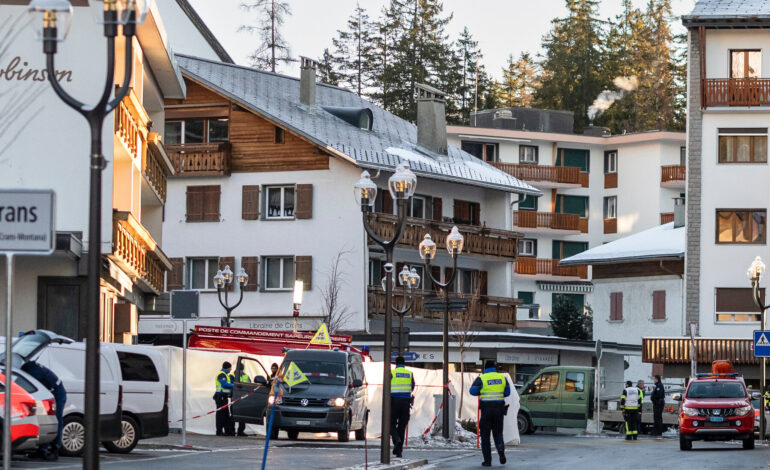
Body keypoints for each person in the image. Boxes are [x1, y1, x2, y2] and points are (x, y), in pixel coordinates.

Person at [20, 361, 65, 460]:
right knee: (47, 420)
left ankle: (54, 449)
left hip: (56, 392)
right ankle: (43, 449)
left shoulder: (31, 371)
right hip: (55, 390)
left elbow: (32, 387)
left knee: (54, 420)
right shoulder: (30, 367)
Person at [470, 359, 511, 467]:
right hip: (499, 410)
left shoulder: (482, 378)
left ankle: (487, 461)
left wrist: (481, 390)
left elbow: (472, 391)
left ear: (485, 368)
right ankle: (501, 450)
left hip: (486, 410)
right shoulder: (502, 377)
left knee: (485, 436)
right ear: (494, 368)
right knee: (498, 433)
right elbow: (507, 392)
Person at [390, 356, 415, 458]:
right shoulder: (409, 373)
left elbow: (386, 386)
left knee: (390, 424)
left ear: (396, 364)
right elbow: (412, 386)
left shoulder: (391, 373)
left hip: (393, 402)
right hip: (405, 403)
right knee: (402, 426)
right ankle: (399, 451)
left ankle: (397, 440)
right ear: (404, 363)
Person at [214, 361, 234, 436]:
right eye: (230, 368)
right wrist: (233, 385)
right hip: (220, 397)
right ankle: (219, 431)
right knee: (220, 415)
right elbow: (224, 384)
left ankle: (226, 431)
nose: (230, 369)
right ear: (227, 368)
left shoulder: (225, 374)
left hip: (224, 397)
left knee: (225, 414)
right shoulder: (222, 374)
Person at [231, 368, 250, 436]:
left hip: (241, 397)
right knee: (233, 415)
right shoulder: (232, 376)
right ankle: (232, 431)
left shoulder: (245, 376)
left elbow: (250, 385)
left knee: (241, 415)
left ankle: (240, 431)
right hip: (236, 397)